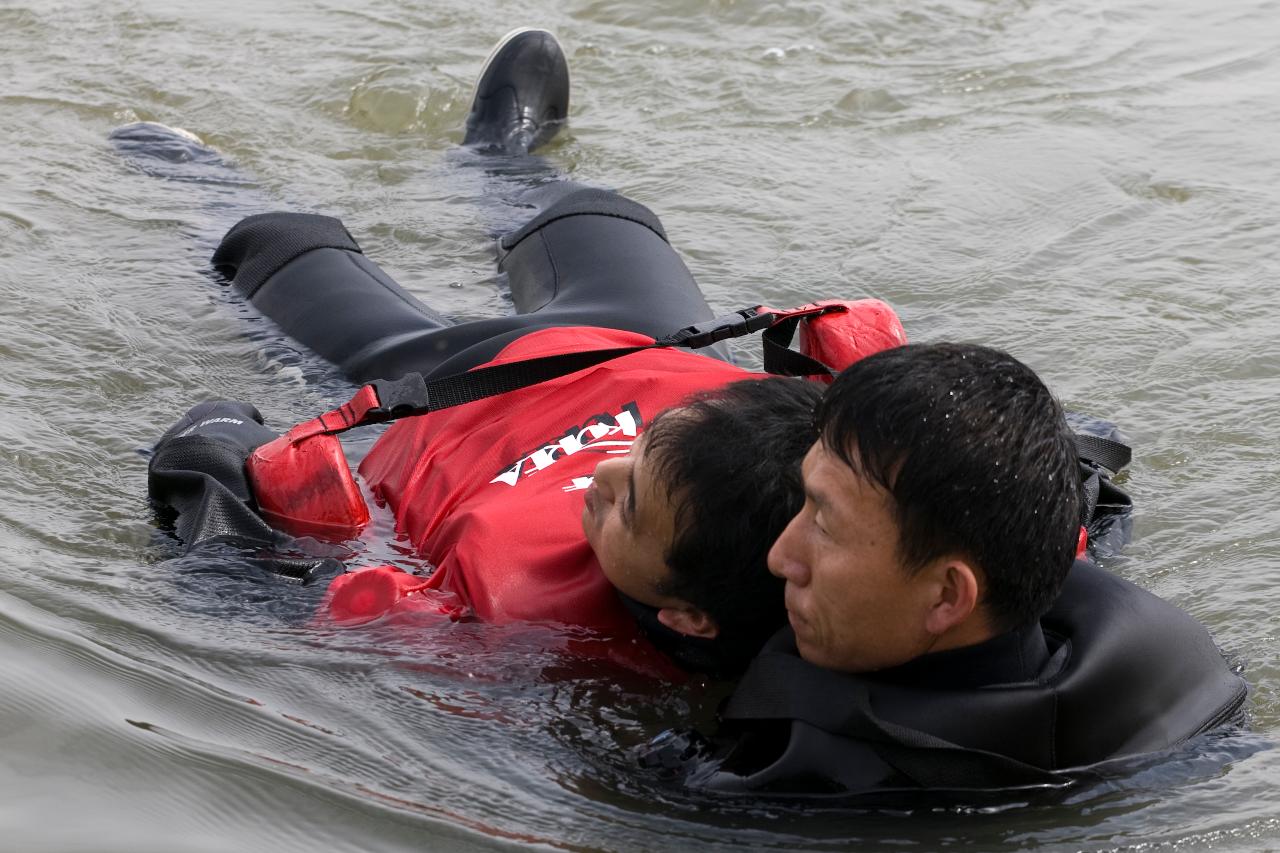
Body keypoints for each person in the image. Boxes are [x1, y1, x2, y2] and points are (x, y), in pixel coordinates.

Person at [135, 29, 906, 678]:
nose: (602, 473)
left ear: (688, 617)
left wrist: (275, 530)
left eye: (630, 501)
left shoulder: (491, 623)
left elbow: (213, 451)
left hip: (435, 383)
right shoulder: (833, 492)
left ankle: (206, 187)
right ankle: (504, 160)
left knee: (271, 244)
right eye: (635, 456)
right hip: (636, 335)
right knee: (585, 212)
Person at [670, 343, 1248, 795]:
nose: (779, 557)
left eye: (825, 525)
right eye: (805, 500)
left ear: (947, 597)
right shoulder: (1163, 658)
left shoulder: (809, 780)